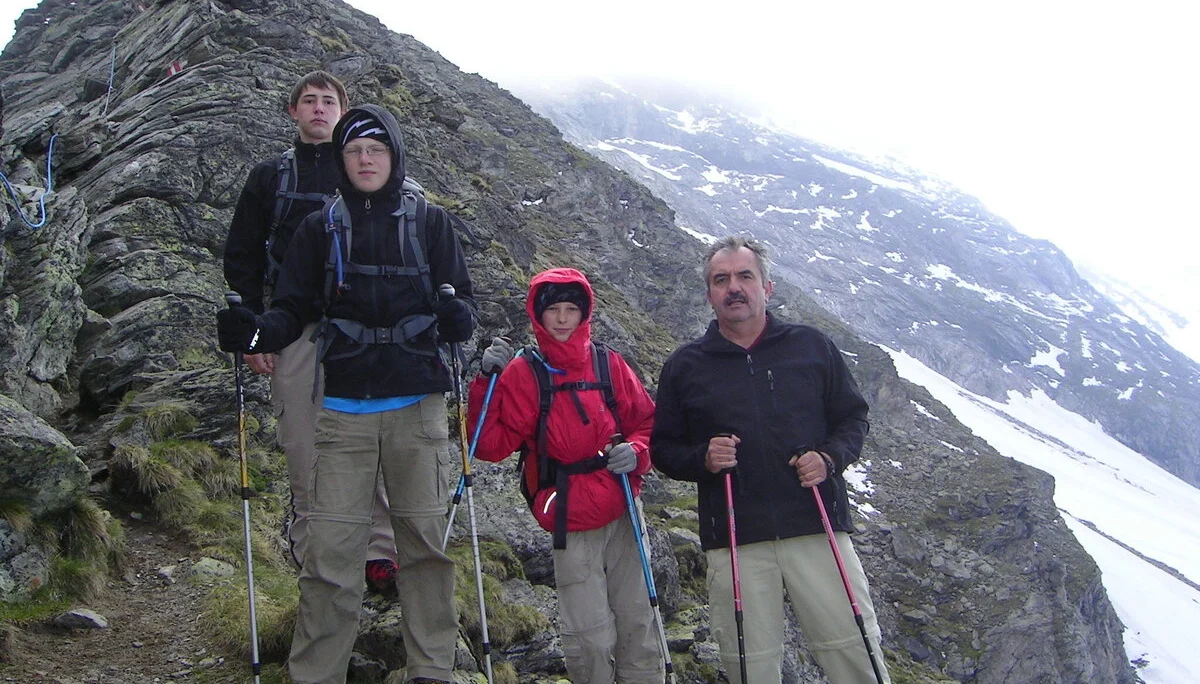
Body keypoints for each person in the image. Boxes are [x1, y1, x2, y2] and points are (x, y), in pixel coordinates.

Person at [218, 103, 476, 684]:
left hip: (418, 408)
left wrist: (460, 316)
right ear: (341, 160)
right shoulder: (320, 227)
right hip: (339, 411)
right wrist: (257, 331)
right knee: (331, 558)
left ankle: (431, 670)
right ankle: (316, 674)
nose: (365, 159)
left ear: (394, 157)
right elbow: (292, 310)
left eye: (376, 150)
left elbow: (462, 298)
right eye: (355, 150)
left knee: (425, 552)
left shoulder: (430, 222)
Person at [650, 236, 891, 684]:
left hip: (816, 524)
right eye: (721, 280)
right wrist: (703, 458)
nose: (734, 287)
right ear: (709, 295)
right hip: (736, 538)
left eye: (745, 276)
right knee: (749, 664)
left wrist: (829, 458)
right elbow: (663, 449)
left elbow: (852, 419)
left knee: (853, 650)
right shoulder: (685, 365)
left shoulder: (811, 346)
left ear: (767, 287)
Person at [222, 70, 400, 592]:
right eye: (309, 101)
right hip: (292, 328)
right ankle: (313, 553)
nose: (319, 109)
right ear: (293, 112)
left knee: (368, 441)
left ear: (343, 112)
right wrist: (259, 334)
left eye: (329, 101)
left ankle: (379, 555)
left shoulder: (367, 176)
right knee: (302, 441)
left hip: (361, 333)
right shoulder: (269, 177)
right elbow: (243, 254)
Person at [466, 268, 665, 684]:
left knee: (638, 623)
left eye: (570, 309)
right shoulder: (524, 372)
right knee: (590, 637)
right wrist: (486, 382)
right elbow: (488, 446)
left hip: (624, 507)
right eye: (553, 309)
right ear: (538, 315)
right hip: (569, 517)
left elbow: (646, 421)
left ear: (583, 313)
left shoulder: (606, 362)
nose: (561, 319)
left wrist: (638, 453)